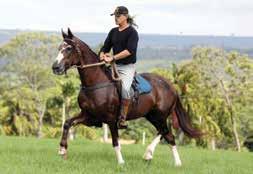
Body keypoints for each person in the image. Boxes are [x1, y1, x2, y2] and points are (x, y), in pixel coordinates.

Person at [99, 6, 139, 129]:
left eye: (118, 16)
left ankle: (122, 119)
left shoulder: (132, 33)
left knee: (125, 89)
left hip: (127, 67)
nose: (116, 19)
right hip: (114, 66)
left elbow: (129, 51)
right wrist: (102, 55)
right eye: (115, 16)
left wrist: (112, 58)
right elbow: (105, 47)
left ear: (125, 17)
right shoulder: (113, 31)